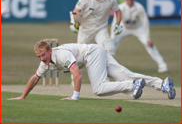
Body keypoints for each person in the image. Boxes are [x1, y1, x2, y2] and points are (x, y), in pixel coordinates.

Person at [7, 40, 176, 101]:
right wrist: (23, 96)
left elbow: (77, 74)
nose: (42, 59)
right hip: (96, 51)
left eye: (43, 55)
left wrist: (75, 97)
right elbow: (35, 77)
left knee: (99, 89)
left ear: (50, 51)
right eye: (39, 57)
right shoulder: (45, 63)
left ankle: (134, 85)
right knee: (126, 75)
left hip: (92, 53)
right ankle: (163, 84)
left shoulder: (60, 55)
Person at [69, 0, 122, 85]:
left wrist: (117, 24)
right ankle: (74, 79)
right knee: (80, 56)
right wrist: (76, 24)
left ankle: (105, 77)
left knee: (109, 47)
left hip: (100, 29)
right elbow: (76, 11)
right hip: (85, 30)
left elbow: (118, 11)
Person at [111, 0, 168, 73]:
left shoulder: (139, 7)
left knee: (148, 44)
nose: (130, 1)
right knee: (112, 44)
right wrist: (113, 37)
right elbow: (115, 23)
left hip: (137, 28)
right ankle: (107, 65)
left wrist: (148, 38)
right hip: (124, 27)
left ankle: (162, 65)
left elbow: (145, 22)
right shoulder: (121, 8)